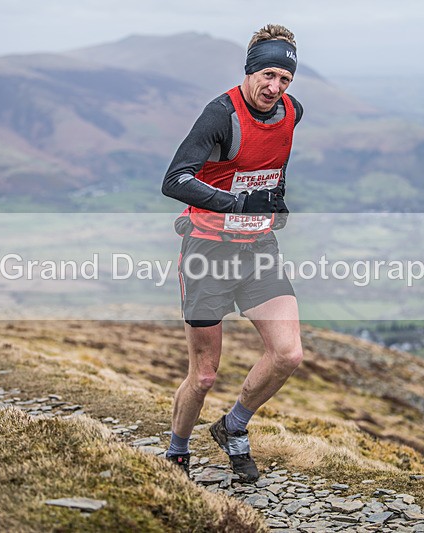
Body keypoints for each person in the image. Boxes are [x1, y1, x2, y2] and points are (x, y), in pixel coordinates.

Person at [160, 23, 304, 482]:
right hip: (207, 252)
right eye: (267, 75)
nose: (274, 87)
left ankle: (233, 426)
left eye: (284, 79)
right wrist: (239, 204)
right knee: (203, 377)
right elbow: (175, 180)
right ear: (250, 70)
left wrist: (275, 200)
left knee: (288, 354)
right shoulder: (220, 115)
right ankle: (177, 452)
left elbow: (268, 167)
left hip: (258, 248)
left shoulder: (292, 112)